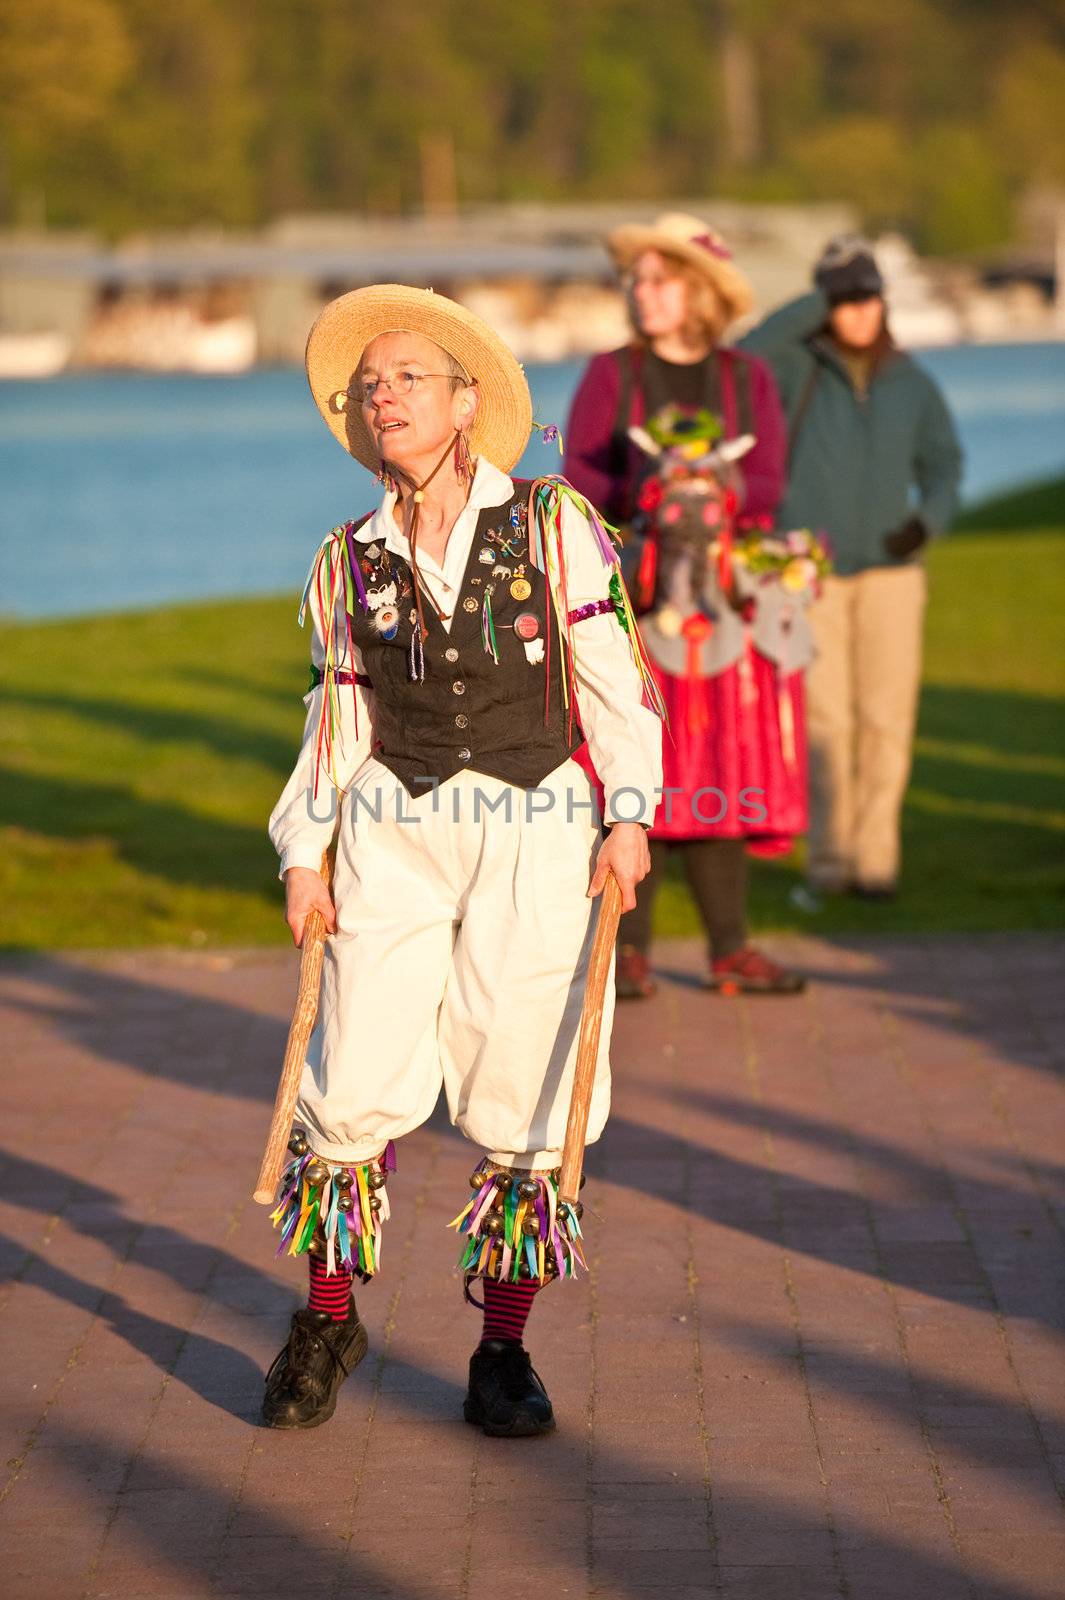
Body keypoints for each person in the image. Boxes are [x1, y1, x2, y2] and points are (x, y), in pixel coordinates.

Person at [262, 284, 663, 1437]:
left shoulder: (553, 523)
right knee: (348, 1084)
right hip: (392, 828)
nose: (383, 395)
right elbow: (336, 712)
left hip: (537, 825)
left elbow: (616, 684)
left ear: (465, 402)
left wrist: (627, 816)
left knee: (526, 1083)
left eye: (407, 378)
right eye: (369, 385)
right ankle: (329, 1317)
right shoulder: (349, 558)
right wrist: (308, 848)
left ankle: (503, 1351)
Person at [565, 212, 805, 998]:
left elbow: (768, 480)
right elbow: (581, 483)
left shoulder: (747, 379)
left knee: (720, 763)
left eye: (657, 280)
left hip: (725, 601)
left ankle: (728, 949)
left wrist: (717, 492)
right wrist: (649, 496)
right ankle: (627, 948)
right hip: (637, 591)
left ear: (698, 291)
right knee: (636, 756)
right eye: (634, 281)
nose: (641, 293)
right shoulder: (611, 374)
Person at [741, 236, 963, 901]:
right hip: (812, 576)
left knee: (886, 719)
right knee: (824, 722)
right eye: (844, 300)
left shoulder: (911, 383)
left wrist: (925, 524)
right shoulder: (792, 370)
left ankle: (876, 864)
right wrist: (821, 293)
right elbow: (745, 353)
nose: (858, 311)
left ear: (883, 304)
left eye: (867, 297)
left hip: (894, 575)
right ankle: (829, 863)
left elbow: (945, 468)